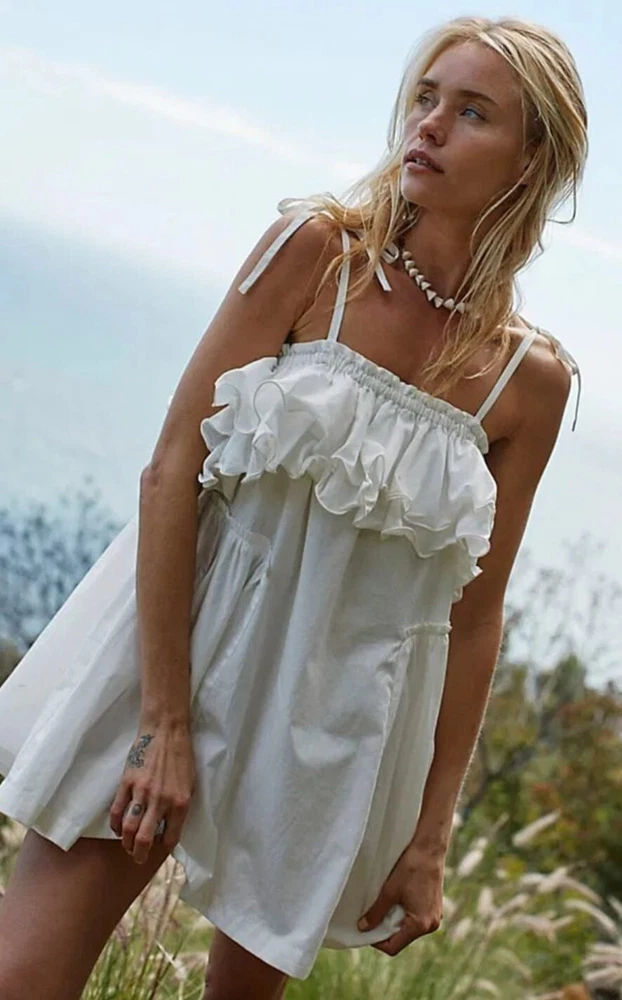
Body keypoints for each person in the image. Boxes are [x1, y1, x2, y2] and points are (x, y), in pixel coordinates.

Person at [0, 13, 586, 1000]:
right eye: (425, 99)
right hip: (181, 656)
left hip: (333, 726)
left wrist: (430, 838)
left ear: (532, 159)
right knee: (23, 979)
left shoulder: (528, 384)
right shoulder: (315, 255)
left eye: (471, 112)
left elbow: (474, 619)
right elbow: (171, 468)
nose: (428, 125)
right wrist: (162, 723)